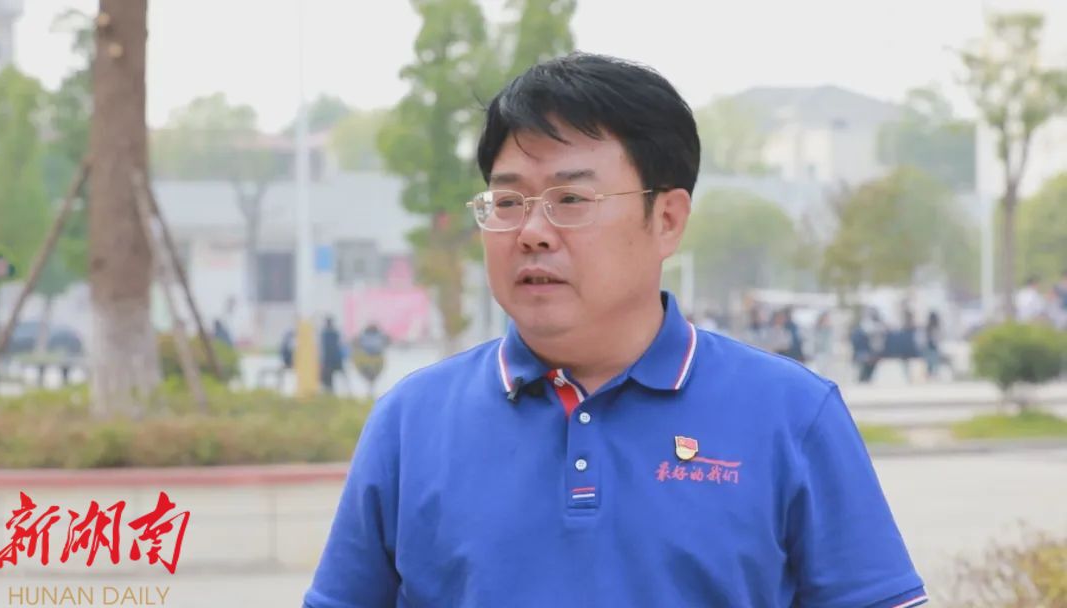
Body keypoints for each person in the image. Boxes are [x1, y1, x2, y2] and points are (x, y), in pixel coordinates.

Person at [304, 53, 925, 608]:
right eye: (508, 202)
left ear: (668, 219)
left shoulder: (792, 415)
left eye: (571, 201)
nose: (532, 233)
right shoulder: (410, 423)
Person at [352, 323, 390, 398]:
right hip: (366, 357)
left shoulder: (379, 336)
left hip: (376, 357)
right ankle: (369, 389)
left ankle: (370, 389)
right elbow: (356, 342)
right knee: (368, 375)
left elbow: (386, 341)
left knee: (372, 376)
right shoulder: (363, 336)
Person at [319, 317, 344, 394]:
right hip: (329, 358)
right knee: (328, 376)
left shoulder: (331, 333)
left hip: (332, 358)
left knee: (330, 375)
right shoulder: (327, 333)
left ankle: (331, 390)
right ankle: (329, 389)